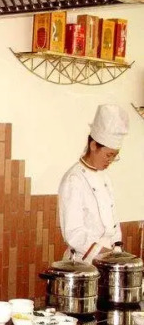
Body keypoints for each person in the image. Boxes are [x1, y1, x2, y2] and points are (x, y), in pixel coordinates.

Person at [58, 104, 128, 262]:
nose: (110, 161)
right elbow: (74, 232)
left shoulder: (105, 178)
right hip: (83, 262)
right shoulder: (74, 179)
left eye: (114, 156)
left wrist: (117, 250)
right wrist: (106, 254)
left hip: (108, 260)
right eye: (108, 155)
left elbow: (114, 223)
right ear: (93, 145)